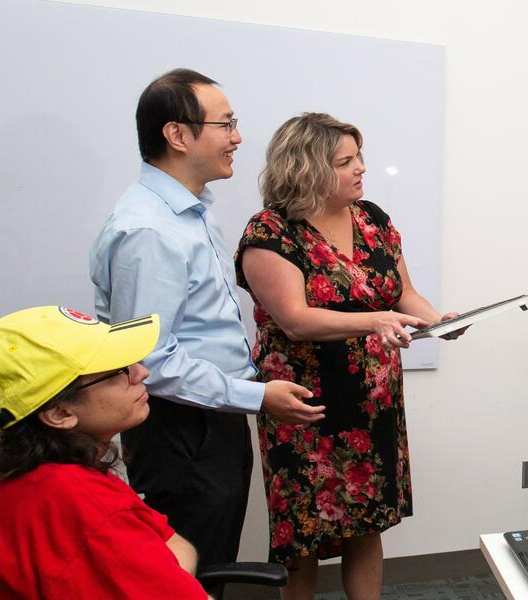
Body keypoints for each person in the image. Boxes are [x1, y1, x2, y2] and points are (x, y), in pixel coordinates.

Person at [89, 68, 324, 570]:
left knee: (210, 559)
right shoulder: (149, 230)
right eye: (226, 124)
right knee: (189, 574)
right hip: (181, 428)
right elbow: (148, 357)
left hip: (210, 415)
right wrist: (257, 395)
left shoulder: (190, 211)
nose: (238, 138)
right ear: (177, 134)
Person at [235, 112, 463, 600]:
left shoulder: (372, 218)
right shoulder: (270, 232)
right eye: (345, 161)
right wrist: (375, 320)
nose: (361, 167)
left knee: (366, 524)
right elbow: (295, 319)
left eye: (359, 156)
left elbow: (403, 293)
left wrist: (439, 322)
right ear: (307, 169)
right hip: (304, 404)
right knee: (303, 537)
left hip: (372, 400)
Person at [0, 306, 208, 599]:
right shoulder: (82, 503)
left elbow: (172, 542)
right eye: (118, 371)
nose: (141, 371)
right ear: (60, 413)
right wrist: (163, 569)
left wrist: (162, 570)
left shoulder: (21, 467)